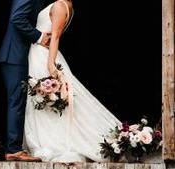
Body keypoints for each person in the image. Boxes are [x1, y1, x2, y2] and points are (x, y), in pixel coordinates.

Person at [24, 0, 122, 162]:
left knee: (47, 98)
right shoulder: (62, 4)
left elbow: (55, 36)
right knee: (43, 101)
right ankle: (45, 140)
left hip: (44, 56)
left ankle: (53, 142)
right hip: (38, 54)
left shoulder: (60, 5)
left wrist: (50, 64)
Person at [0, 0, 51, 162]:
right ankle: (14, 150)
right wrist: (39, 36)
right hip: (14, 54)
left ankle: (16, 147)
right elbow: (17, 18)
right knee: (17, 101)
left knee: (18, 101)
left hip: (19, 54)